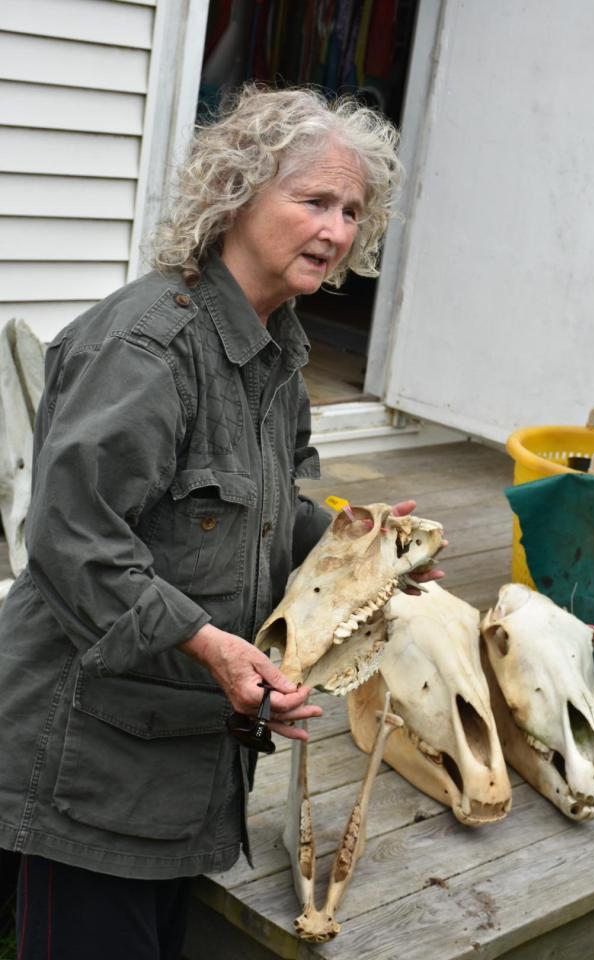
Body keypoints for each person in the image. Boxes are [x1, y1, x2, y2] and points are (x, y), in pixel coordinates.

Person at [0, 84, 433, 959]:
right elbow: (72, 544)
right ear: (235, 195)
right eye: (314, 201)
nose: (339, 230)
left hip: (182, 758)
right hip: (84, 758)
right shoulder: (148, 350)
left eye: (352, 210)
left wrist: (365, 548)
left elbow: (273, 512)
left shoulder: (277, 352)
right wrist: (209, 644)